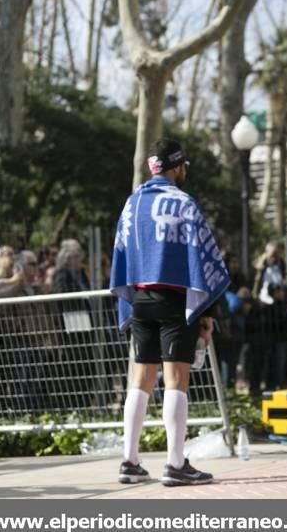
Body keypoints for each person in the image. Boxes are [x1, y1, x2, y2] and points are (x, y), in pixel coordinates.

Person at [110, 138, 230, 487]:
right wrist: (206, 312)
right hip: (176, 301)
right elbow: (203, 259)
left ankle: (129, 460)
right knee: (177, 380)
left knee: (140, 379)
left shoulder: (133, 203)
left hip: (140, 301)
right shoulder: (184, 203)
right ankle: (175, 463)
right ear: (177, 167)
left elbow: (121, 254)